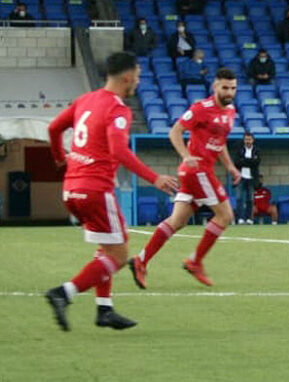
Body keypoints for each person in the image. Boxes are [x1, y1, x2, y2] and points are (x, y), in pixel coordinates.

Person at [44, 52, 178, 331]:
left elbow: (54, 128)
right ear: (128, 77)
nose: (138, 83)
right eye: (138, 77)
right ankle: (64, 293)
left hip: (71, 189)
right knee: (119, 255)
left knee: (106, 248)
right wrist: (154, 178)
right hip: (95, 190)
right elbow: (118, 150)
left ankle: (104, 309)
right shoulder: (118, 109)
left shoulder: (85, 100)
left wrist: (59, 158)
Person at [129, 68, 241, 289]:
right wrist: (186, 156)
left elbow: (220, 142)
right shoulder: (201, 108)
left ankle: (140, 260)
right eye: (225, 87)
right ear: (215, 86)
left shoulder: (230, 112)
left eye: (233, 88)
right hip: (197, 171)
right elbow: (175, 132)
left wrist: (230, 166)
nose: (229, 92)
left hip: (200, 172)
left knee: (177, 221)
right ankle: (195, 261)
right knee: (225, 215)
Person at [233, 132, 260, 224]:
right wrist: (250, 162)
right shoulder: (239, 150)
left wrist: (244, 160)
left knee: (250, 199)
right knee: (239, 198)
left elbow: (256, 163)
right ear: (244, 140)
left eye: (249, 139)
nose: (248, 141)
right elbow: (236, 162)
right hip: (241, 177)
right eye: (246, 139)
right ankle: (240, 218)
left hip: (251, 178)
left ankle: (249, 218)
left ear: (252, 140)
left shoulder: (256, 150)